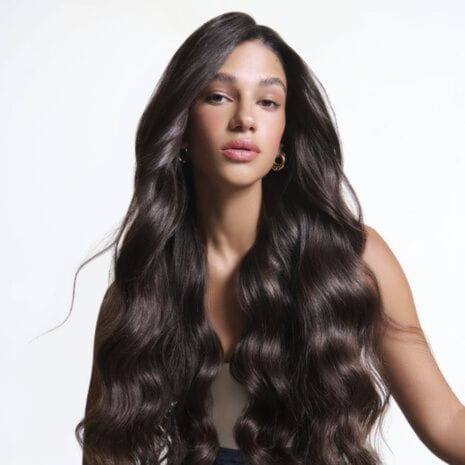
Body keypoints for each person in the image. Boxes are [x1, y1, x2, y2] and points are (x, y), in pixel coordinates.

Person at [67, 11, 465, 465]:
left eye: (268, 102)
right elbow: (105, 451)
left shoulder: (353, 259)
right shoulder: (142, 285)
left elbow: (448, 423)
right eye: (218, 96)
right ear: (182, 124)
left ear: (284, 135)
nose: (245, 119)